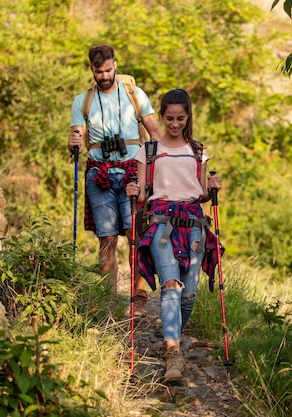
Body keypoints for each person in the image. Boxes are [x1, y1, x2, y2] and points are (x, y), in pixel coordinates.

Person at [126, 88, 223, 382]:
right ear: (163, 115)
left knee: (189, 291)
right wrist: (133, 191)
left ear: (188, 116)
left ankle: (174, 334)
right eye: (169, 118)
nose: (175, 124)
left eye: (180, 118)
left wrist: (213, 188)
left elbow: (202, 194)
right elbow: (143, 193)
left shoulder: (198, 151)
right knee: (171, 285)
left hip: (193, 222)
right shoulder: (149, 151)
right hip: (160, 222)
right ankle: (173, 353)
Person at [67, 44, 164, 315]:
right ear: (92, 70)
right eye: (99, 72)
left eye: (108, 70)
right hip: (99, 174)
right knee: (106, 238)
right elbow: (76, 140)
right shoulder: (82, 101)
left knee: (137, 235)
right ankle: (108, 299)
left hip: (134, 170)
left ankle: (139, 298)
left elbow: (155, 132)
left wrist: (165, 165)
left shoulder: (135, 95)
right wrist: (73, 142)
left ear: (115, 65)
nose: (104, 75)